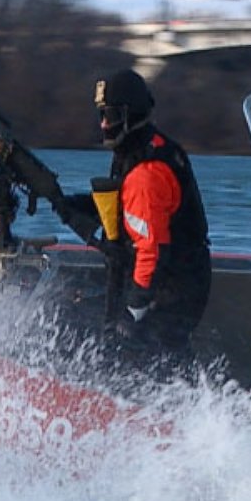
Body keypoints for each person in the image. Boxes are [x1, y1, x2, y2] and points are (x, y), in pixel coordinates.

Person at [82, 69, 212, 356]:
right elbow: (125, 211)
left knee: (136, 350)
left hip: (169, 289)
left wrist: (133, 309)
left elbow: (151, 250)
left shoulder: (146, 174)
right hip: (177, 280)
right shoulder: (147, 150)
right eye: (101, 115)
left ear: (130, 115)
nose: (104, 124)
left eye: (111, 116)